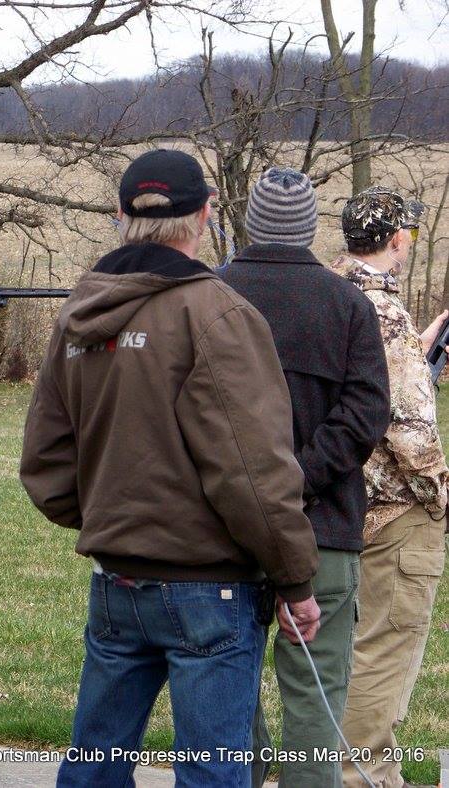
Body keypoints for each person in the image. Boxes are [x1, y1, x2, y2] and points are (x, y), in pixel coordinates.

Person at [20, 149, 321, 788]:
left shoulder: (78, 315)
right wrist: (295, 579)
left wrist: (114, 519)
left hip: (116, 580)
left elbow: (45, 462)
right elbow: (254, 469)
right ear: (206, 216)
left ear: (119, 215)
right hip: (208, 589)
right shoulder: (217, 315)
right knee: (213, 774)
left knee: (92, 771)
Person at [221, 168, 391, 786]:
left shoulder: (211, 295)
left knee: (223, 682)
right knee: (315, 699)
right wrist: (298, 480)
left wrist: (257, 486)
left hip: (222, 530)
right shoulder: (348, 304)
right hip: (322, 530)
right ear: (308, 228)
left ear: (251, 222)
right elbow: (367, 412)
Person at [329, 187, 447, 788]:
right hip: (394, 514)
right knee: (382, 650)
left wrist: (416, 357)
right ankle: (362, 775)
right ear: (398, 240)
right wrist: (440, 494)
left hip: (337, 504)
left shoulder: (327, 295)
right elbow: (408, 430)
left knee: (340, 652)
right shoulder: (387, 314)